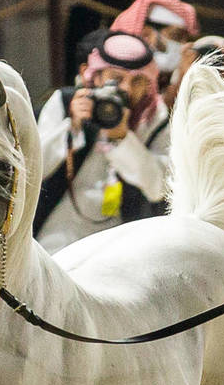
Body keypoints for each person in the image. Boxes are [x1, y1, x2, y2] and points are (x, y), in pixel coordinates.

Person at [34, 29, 171, 251]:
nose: (126, 89)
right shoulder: (66, 101)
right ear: (96, 77)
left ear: (149, 84)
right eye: (116, 79)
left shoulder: (154, 118)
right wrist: (72, 126)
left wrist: (123, 138)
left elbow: (158, 188)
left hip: (121, 243)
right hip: (57, 234)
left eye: (137, 81)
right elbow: (33, 169)